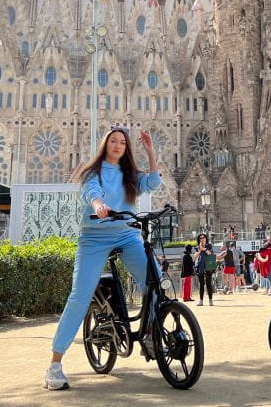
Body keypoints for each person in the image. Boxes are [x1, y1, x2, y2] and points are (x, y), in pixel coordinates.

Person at [44, 126, 160, 391]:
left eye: (122, 142)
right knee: (80, 296)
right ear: (105, 144)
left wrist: (150, 151)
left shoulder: (130, 174)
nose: (118, 145)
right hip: (94, 237)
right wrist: (98, 206)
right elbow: (91, 191)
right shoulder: (93, 172)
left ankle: (151, 333)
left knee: (156, 280)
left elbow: (153, 183)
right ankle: (54, 365)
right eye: (113, 141)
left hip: (126, 234)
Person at [193, 233, 215, 305]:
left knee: (208, 283)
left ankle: (210, 300)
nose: (202, 239)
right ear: (199, 240)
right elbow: (194, 258)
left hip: (208, 266)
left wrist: (204, 249)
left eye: (203, 237)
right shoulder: (197, 247)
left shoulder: (209, 246)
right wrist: (199, 250)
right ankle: (201, 301)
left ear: (206, 238)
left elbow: (210, 254)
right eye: (200, 238)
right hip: (200, 267)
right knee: (201, 284)